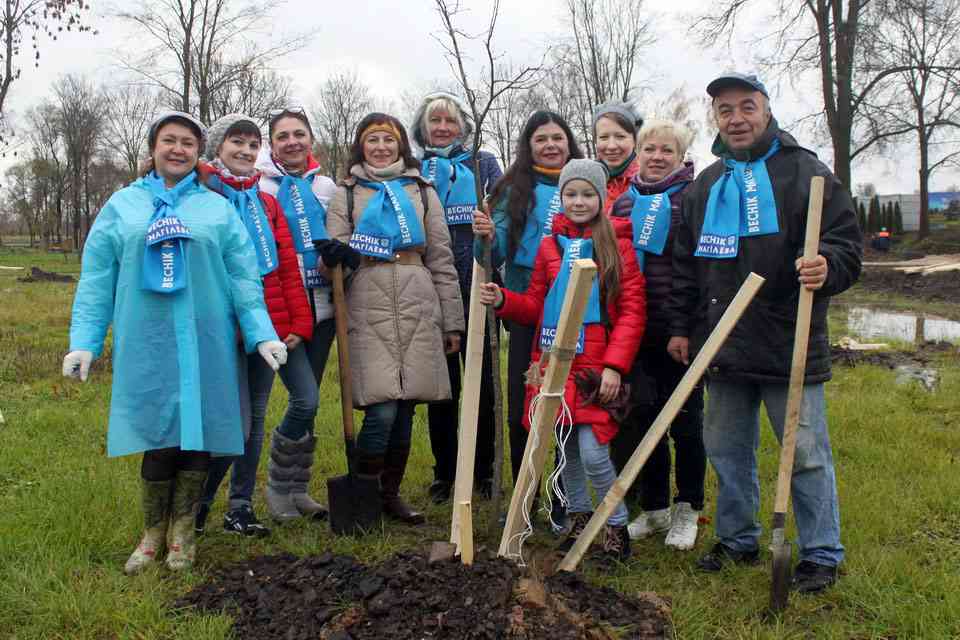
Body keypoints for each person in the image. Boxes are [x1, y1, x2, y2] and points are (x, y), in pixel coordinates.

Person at [62, 111, 286, 574]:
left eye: (188, 142)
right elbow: (98, 276)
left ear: (199, 152)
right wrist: (85, 341)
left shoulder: (216, 209)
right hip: (148, 339)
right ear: (153, 148)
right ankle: (152, 533)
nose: (178, 149)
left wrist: (261, 332)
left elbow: (243, 277)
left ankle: (183, 531)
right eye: (170, 140)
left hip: (206, 338)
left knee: (197, 434)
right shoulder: (122, 205)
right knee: (157, 434)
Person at [669, 73, 862, 592]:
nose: (736, 118)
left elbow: (846, 243)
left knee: (805, 454)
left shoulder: (806, 173)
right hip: (723, 342)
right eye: (725, 110)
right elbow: (686, 267)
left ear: (766, 110)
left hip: (787, 338)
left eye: (746, 107)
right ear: (716, 119)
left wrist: (828, 264)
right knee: (727, 450)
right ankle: (737, 539)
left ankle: (821, 553)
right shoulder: (706, 186)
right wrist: (683, 328)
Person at [477, 159, 646, 560]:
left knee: (593, 451)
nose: (579, 201)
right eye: (571, 194)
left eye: (587, 194)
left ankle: (616, 527)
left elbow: (632, 310)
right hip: (554, 365)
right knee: (567, 451)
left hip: (595, 369)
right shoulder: (549, 246)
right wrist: (504, 300)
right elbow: (536, 304)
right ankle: (579, 520)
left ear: (601, 198)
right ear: (561, 197)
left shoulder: (618, 245)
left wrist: (614, 366)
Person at [323, 112, 464, 525]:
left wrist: (452, 321)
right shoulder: (347, 193)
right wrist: (335, 257)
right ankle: (363, 495)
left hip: (418, 296)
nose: (381, 147)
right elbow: (334, 257)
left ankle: (389, 495)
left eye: (389, 139)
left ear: (401, 144)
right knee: (382, 406)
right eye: (373, 139)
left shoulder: (422, 191)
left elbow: (441, 257)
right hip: (368, 298)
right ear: (361, 146)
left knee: (405, 409)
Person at [194, 114, 317, 537]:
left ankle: (240, 506)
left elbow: (286, 268)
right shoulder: (203, 196)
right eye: (236, 143)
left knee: (256, 419)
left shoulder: (265, 203)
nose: (246, 151)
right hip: (220, 329)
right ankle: (197, 504)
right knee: (235, 423)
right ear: (218, 147)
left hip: (264, 328)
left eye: (252, 144)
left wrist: (299, 321)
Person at [472, 110, 584, 531]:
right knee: (525, 408)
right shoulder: (511, 190)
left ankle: (563, 500)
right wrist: (486, 236)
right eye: (541, 139)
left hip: (580, 316)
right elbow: (493, 253)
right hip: (528, 314)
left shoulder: (587, 183)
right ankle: (524, 499)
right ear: (528, 146)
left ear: (569, 142)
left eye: (557, 137)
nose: (550, 145)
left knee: (570, 410)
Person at [608, 119, 705, 550]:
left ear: (681, 157)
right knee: (645, 420)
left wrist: (683, 326)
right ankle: (655, 507)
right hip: (636, 329)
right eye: (650, 149)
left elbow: (695, 267)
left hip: (678, 330)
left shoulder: (692, 199)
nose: (657, 157)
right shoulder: (626, 202)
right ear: (639, 153)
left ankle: (688, 507)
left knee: (685, 422)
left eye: (668, 150)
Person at [411, 92, 503, 504]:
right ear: (423, 128)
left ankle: (483, 470)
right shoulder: (415, 170)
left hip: (478, 284)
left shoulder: (483, 164)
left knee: (482, 384)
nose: (443, 127)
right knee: (443, 387)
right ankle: (445, 472)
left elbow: (502, 216)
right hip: (433, 287)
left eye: (450, 120)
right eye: (435, 121)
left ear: (463, 126)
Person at [255, 107, 338, 521]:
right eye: (283, 136)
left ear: (311, 139)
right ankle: (276, 486)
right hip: (283, 312)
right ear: (272, 144)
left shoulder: (325, 186)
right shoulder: (261, 186)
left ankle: (298, 490)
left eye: (299, 134)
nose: (292, 142)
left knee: (311, 400)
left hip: (323, 308)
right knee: (305, 399)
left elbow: (339, 233)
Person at [592, 102, 643, 214]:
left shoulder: (647, 183)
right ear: (596, 141)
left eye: (620, 137)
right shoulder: (586, 180)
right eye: (604, 137)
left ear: (635, 140)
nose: (611, 146)